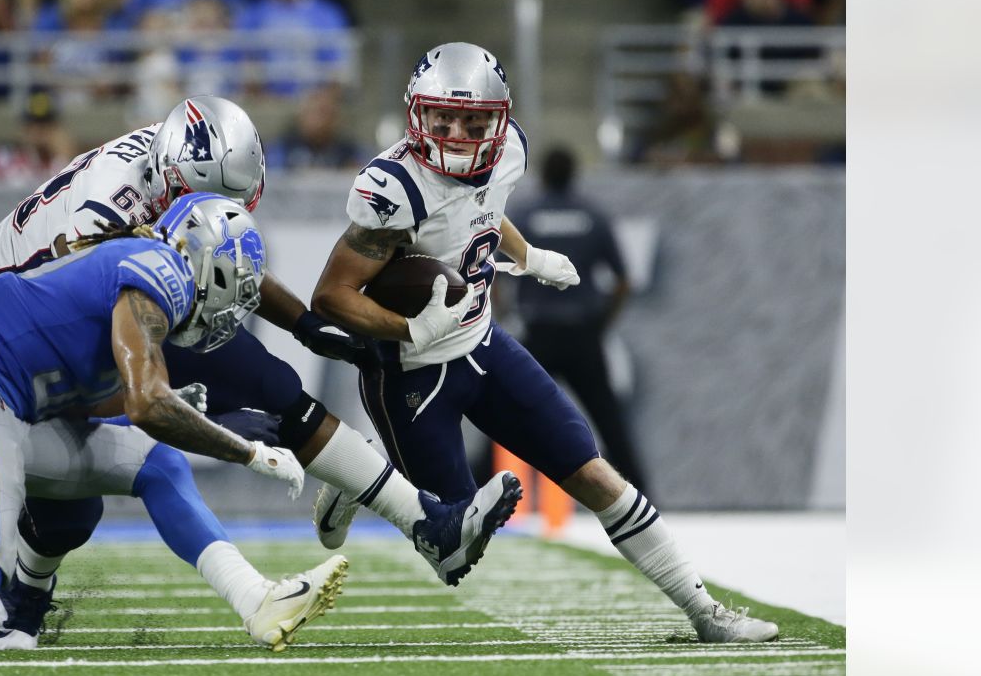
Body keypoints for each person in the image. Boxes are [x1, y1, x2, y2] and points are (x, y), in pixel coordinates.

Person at [0, 95, 521, 650]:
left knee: (272, 387)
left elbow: (210, 246)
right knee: (77, 496)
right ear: (173, 190)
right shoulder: (102, 223)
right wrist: (215, 419)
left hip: (72, 299)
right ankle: (21, 594)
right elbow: (101, 379)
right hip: (1, 344)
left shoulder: (177, 164)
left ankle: (429, 524)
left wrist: (304, 324)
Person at [310, 42, 778, 643]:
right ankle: (361, 472)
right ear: (415, 116)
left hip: (481, 342)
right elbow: (331, 296)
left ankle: (704, 612)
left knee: (591, 472)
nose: (456, 134)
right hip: (410, 368)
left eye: (474, 121)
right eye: (442, 120)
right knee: (451, 552)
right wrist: (409, 328)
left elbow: (481, 206)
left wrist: (527, 255)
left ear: (499, 120)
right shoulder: (395, 185)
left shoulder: (508, 152)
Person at [0, 193, 350, 653]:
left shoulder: (137, 284)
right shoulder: (162, 271)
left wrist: (188, 415)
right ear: (206, 263)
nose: (233, 311)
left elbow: (94, 405)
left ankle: (255, 598)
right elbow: (145, 405)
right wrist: (248, 452)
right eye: (235, 289)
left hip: (6, 409)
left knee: (156, 463)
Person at [506, 147, 649, 495]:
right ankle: (639, 496)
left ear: (543, 175)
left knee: (511, 414)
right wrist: (602, 323)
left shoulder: (526, 215)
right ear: (573, 175)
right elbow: (623, 281)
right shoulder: (592, 216)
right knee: (608, 419)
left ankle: (474, 492)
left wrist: (505, 312)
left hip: (539, 332)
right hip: (583, 333)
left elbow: (498, 272)